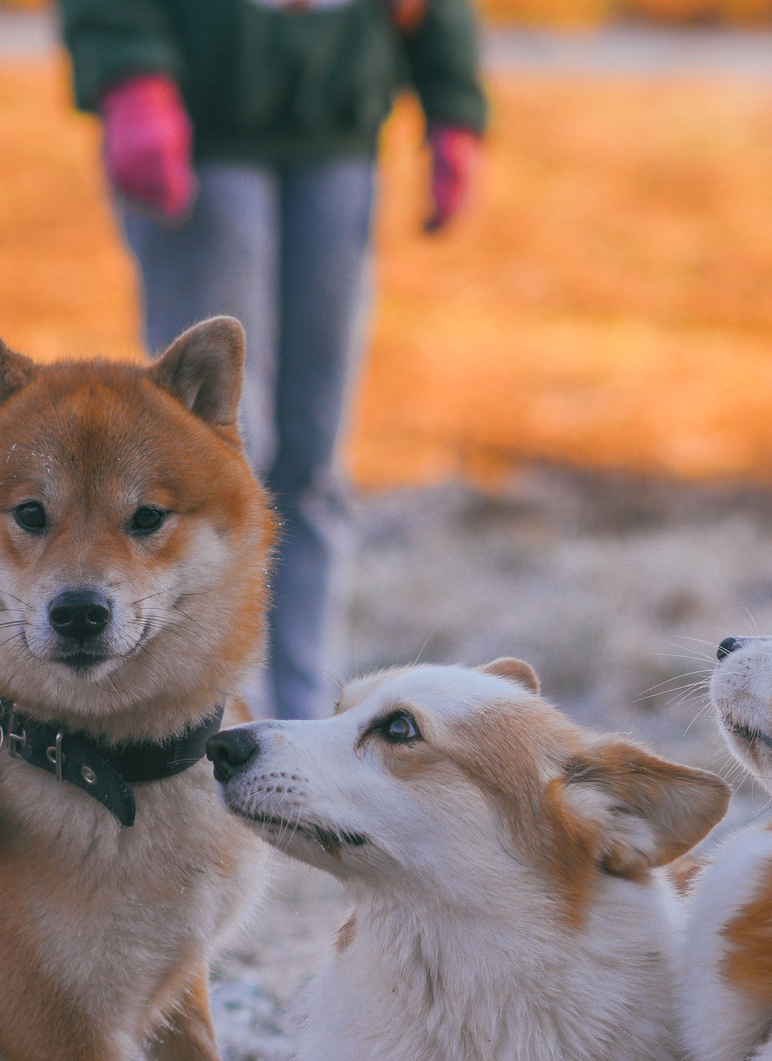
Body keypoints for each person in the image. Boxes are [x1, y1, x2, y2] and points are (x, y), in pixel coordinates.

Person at [57, 0, 488, 720]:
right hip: (199, 125)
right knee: (219, 460)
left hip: (338, 132)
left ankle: (303, 721)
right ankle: (215, 720)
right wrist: (131, 74)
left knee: (314, 464)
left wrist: (452, 99)